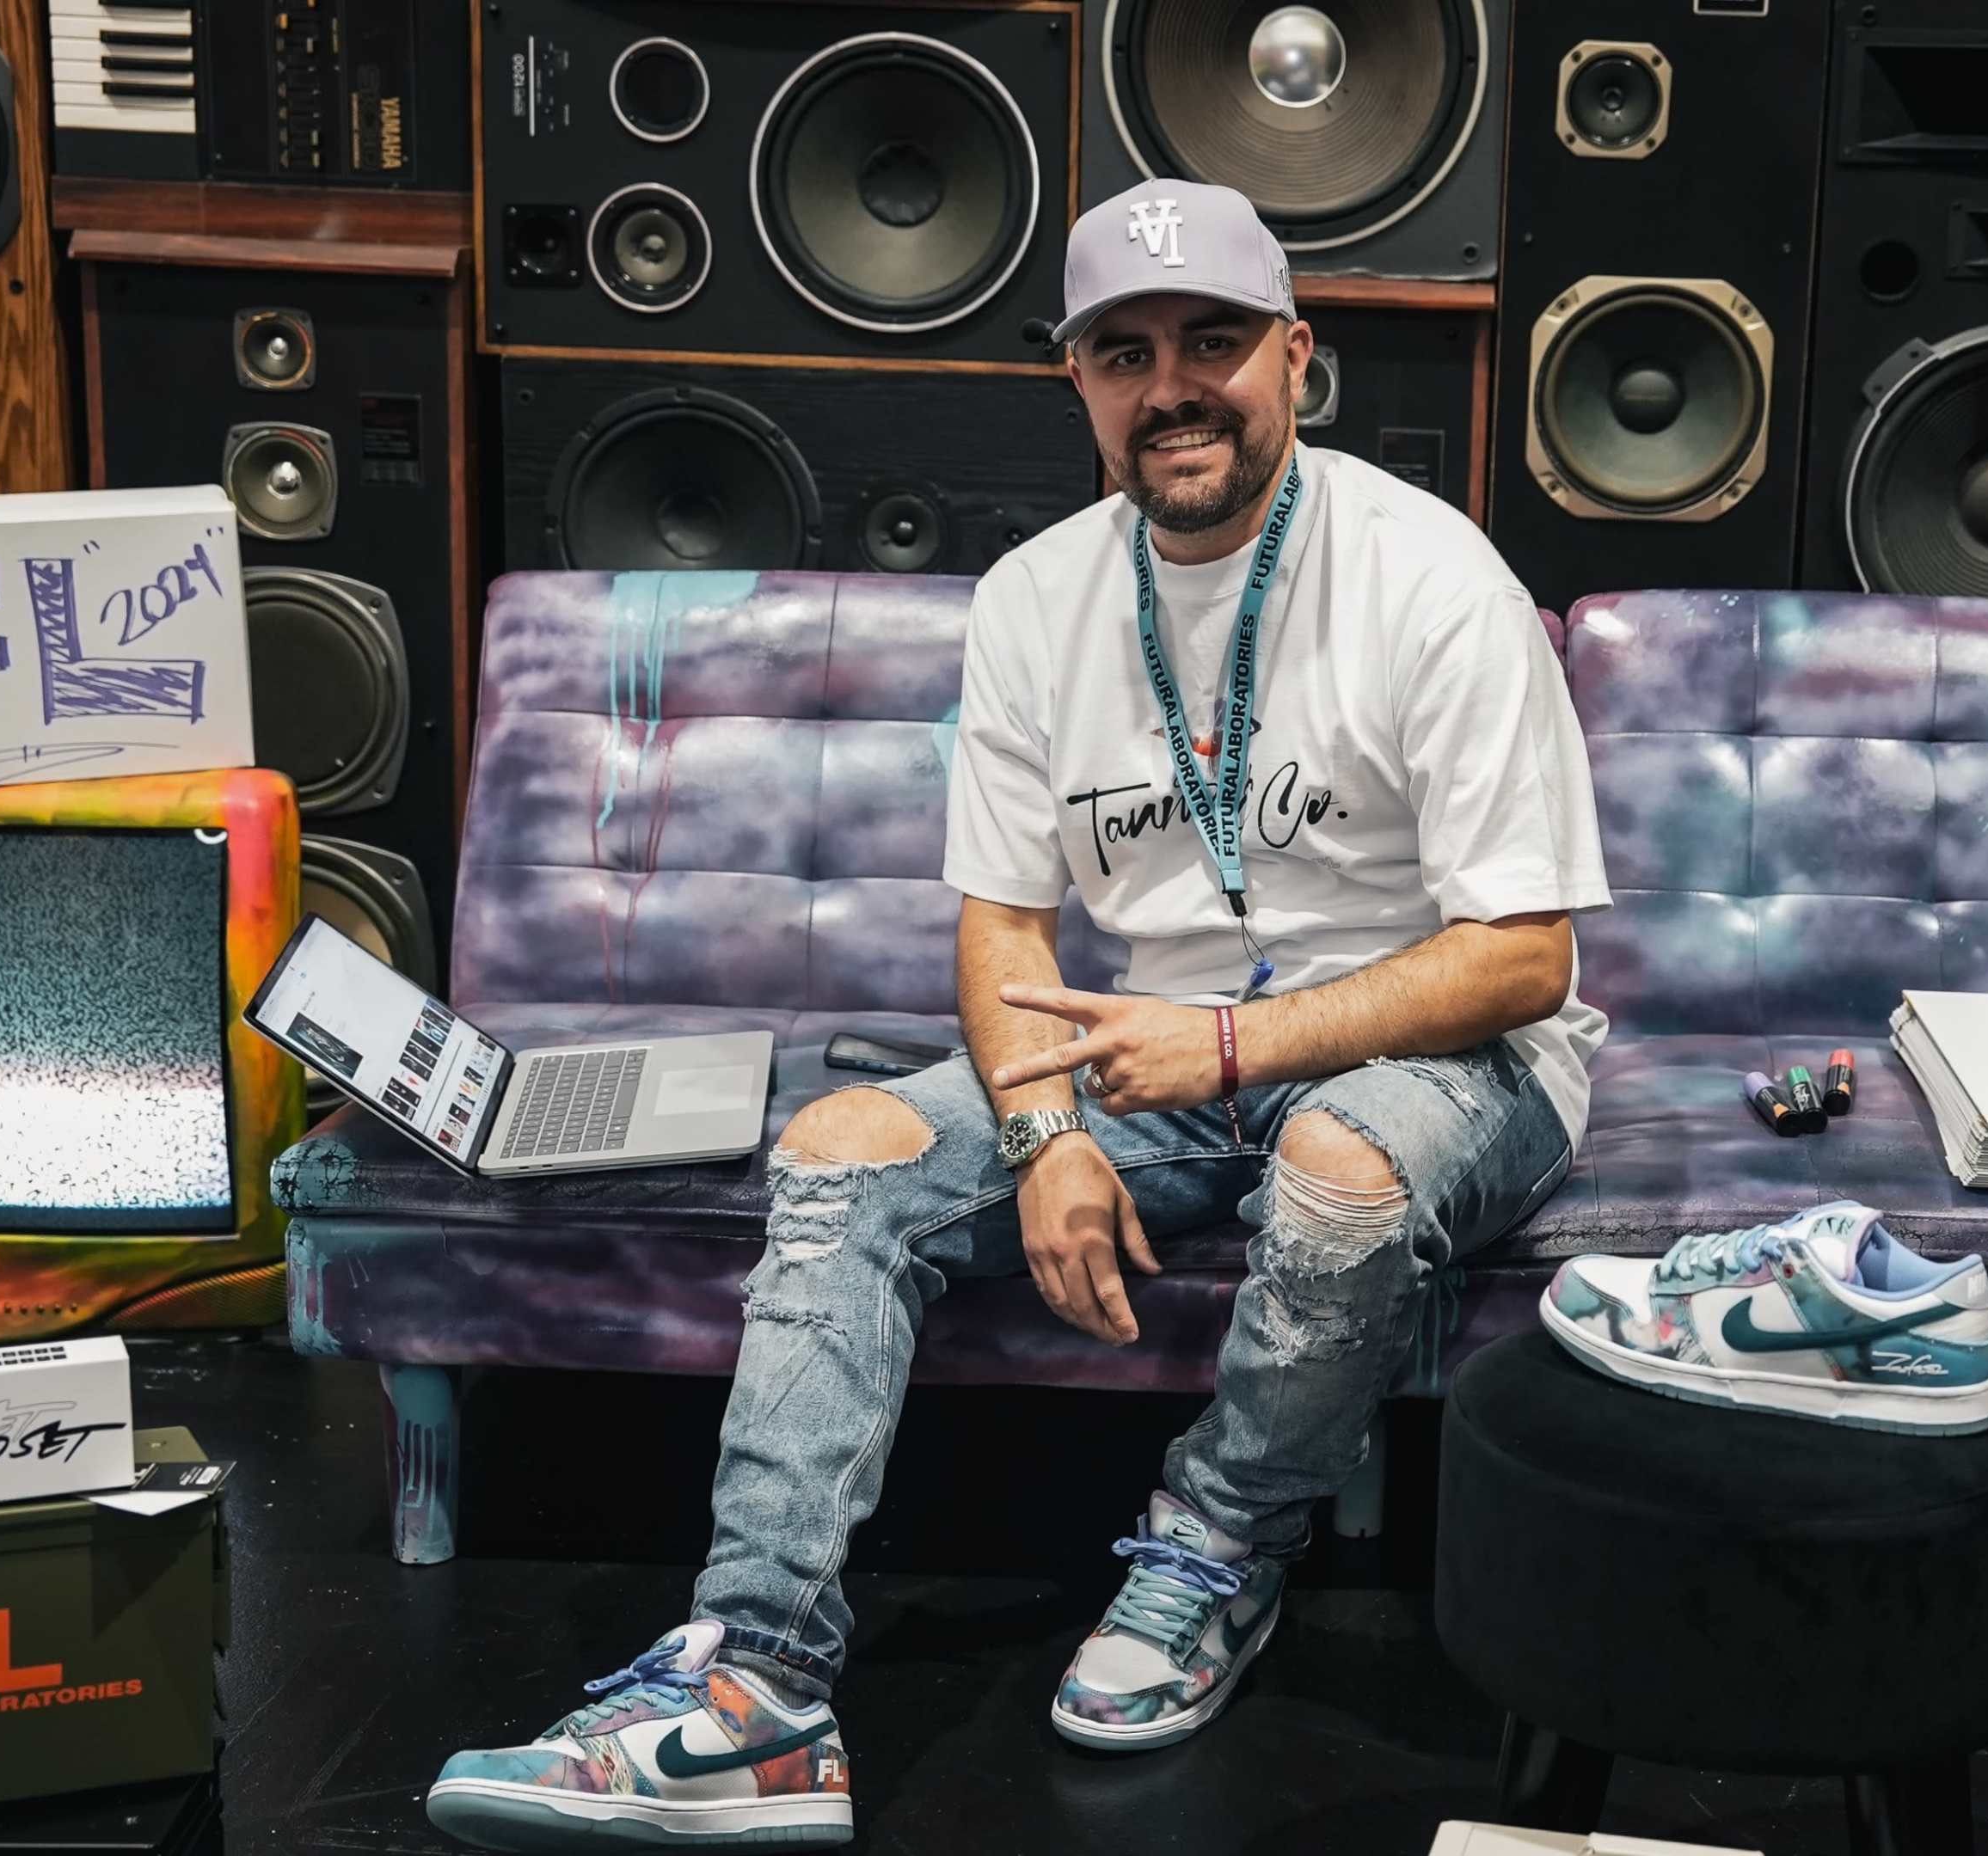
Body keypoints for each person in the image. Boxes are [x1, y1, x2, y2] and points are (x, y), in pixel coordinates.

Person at [422, 180, 1611, 1853]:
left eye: (1213, 342)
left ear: (1296, 356)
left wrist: (1231, 1047)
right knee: (840, 1150)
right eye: (1125, 352)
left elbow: (1523, 957)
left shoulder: (1429, 580)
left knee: (1339, 1174)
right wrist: (1046, 1134)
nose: (1172, 384)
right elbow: (1002, 917)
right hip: (1147, 1049)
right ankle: (754, 1685)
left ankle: (1217, 1549)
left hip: (1440, 1052)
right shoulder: (1039, 598)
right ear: (1079, 384)